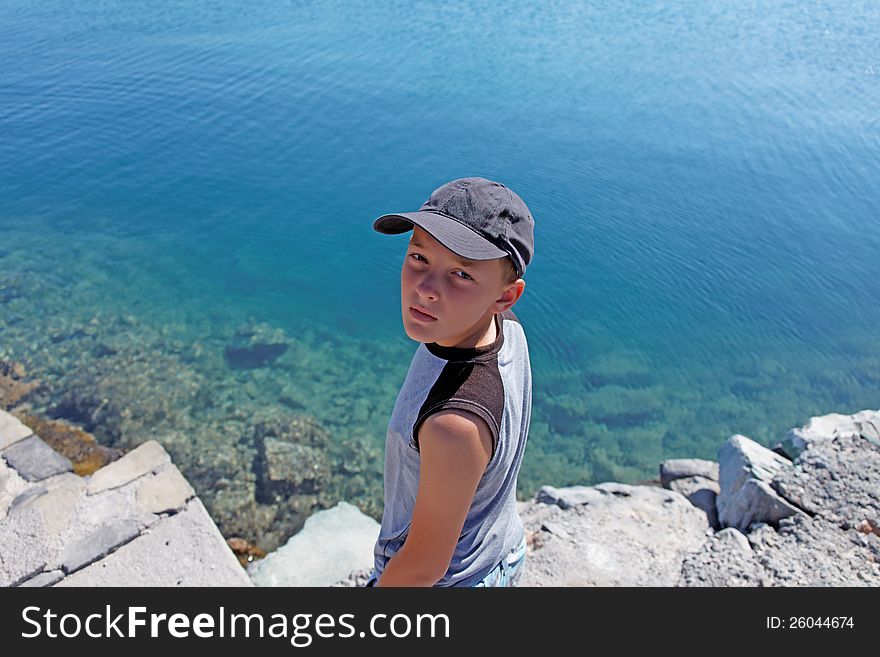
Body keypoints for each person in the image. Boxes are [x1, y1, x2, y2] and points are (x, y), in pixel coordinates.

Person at [364, 177, 535, 587]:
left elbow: (425, 566)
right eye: (419, 257)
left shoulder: (453, 425)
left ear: (506, 296)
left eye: (460, 273)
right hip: (497, 546)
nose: (425, 289)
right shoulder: (503, 328)